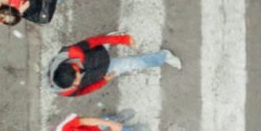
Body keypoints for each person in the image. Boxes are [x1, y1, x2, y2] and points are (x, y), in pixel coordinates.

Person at [48, 34, 179, 97]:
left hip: (95, 54)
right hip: (102, 72)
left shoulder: (73, 52)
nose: (78, 83)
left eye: (76, 80)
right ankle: (164, 56)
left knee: (102, 42)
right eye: (75, 84)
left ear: (74, 68)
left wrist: (123, 40)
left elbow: (94, 41)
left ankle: (111, 39)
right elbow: (84, 90)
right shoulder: (66, 90)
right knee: (131, 64)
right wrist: (103, 81)